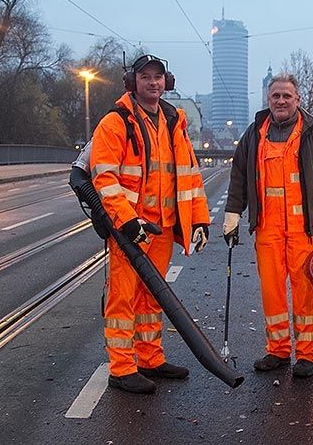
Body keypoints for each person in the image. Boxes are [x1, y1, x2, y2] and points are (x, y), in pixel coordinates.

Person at [223, 73, 313, 378]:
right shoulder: (255, 134)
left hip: (305, 229)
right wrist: (233, 215)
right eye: (276, 96)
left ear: (298, 100)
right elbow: (239, 177)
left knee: (306, 292)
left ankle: (307, 355)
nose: (281, 101)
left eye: (287, 96)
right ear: (268, 100)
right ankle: (278, 350)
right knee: (272, 292)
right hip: (267, 228)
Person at [90, 55, 210, 393]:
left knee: (151, 298)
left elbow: (189, 177)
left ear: (166, 82)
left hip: (162, 227)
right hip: (131, 229)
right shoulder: (116, 122)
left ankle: (149, 357)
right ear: (133, 81)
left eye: (158, 77)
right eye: (145, 77)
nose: (153, 83)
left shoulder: (174, 122)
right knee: (123, 298)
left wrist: (200, 219)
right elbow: (105, 178)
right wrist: (127, 221)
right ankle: (122, 367)